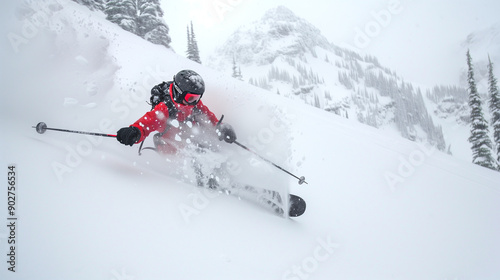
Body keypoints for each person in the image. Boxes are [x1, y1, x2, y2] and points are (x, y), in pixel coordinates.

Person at [116, 69, 236, 154]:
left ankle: (217, 174)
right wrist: (134, 132)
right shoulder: (165, 109)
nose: (195, 102)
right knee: (196, 153)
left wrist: (220, 127)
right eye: (191, 98)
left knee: (207, 147)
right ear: (179, 93)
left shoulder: (193, 104)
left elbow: (207, 116)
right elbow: (147, 123)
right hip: (167, 146)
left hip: (187, 138)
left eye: (198, 98)